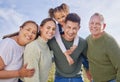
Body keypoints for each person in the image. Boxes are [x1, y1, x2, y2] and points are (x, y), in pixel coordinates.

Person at [48, 13, 89, 82]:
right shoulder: (53, 41)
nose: (71, 31)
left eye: (74, 28)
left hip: (77, 77)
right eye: (68, 27)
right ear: (63, 26)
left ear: (79, 28)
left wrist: (87, 70)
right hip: (60, 78)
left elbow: (86, 58)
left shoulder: (82, 43)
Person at [49, 3, 89, 68]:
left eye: (63, 16)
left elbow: (76, 35)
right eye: (58, 18)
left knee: (81, 56)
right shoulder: (57, 27)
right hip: (60, 46)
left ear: (67, 14)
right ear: (55, 19)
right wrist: (66, 55)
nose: (61, 19)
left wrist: (74, 45)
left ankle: (87, 68)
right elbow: (59, 41)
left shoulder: (71, 23)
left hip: (71, 45)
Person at [87, 12, 120, 82]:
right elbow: (85, 58)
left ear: (104, 26)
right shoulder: (87, 40)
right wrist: (87, 70)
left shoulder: (110, 42)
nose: (94, 26)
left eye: (98, 24)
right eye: (92, 23)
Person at [23, 18, 56, 82]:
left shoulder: (47, 47)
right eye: (48, 27)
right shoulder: (33, 46)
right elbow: (30, 77)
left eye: (53, 29)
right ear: (41, 28)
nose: (51, 31)